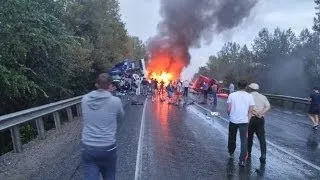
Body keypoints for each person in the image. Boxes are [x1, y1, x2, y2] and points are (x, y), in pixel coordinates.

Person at [81, 73, 125, 180]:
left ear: (96, 84)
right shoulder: (115, 101)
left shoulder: (85, 99)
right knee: (109, 176)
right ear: (110, 85)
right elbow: (121, 118)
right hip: (108, 147)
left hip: (88, 146)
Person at [227, 80, 254, 167]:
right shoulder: (250, 96)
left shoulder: (231, 95)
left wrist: (230, 115)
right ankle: (242, 160)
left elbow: (228, 109)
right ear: (246, 87)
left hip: (233, 120)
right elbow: (251, 110)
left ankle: (231, 152)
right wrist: (248, 120)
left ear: (238, 86)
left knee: (232, 137)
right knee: (244, 140)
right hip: (244, 121)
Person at [247, 83, 271, 164]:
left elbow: (247, 106)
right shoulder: (263, 97)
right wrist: (261, 113)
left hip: (251, 118)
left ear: (250, 89)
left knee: (249, 136)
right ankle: (263, 155)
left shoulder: (248, 96)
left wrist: (255, 112)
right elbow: (268, 106)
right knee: (262, 138)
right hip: (260, 119)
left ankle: (248, 152)